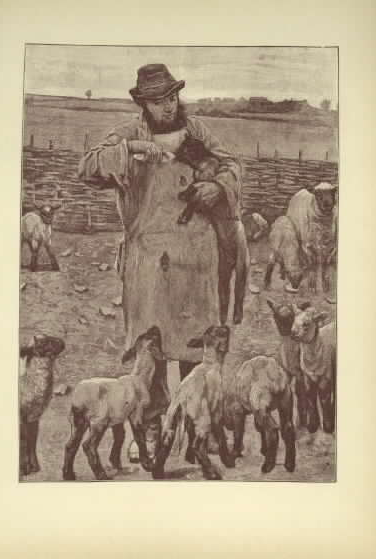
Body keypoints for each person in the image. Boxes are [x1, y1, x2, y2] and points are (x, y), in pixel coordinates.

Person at [78, 63, 245, 458]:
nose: (168, 107)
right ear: (144, 103)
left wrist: (216, 186)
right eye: (158, 101)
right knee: (149, 349)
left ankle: (193, 428)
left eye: (171, 97)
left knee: (195, 344)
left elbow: (233, 165)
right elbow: (87, 166)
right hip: (149, 257)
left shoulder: (198, 131)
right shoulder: (130, 133)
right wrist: (131, 151)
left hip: (198, 255)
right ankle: (150, 428)